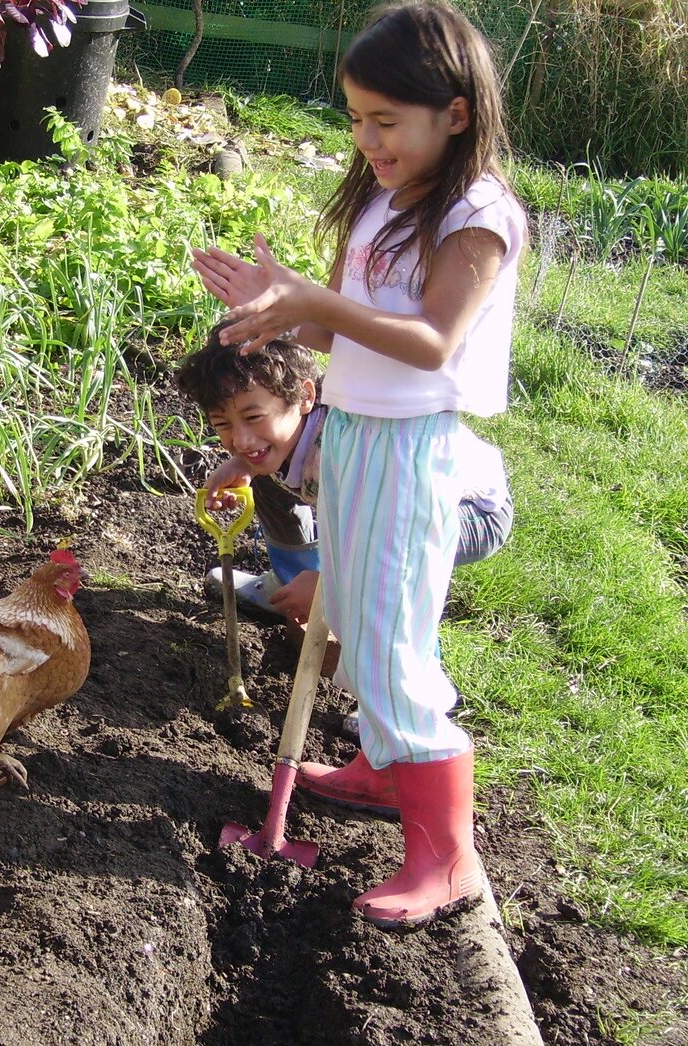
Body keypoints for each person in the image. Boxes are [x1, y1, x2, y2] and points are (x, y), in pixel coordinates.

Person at [191, 0, 526, 930]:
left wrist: (320, 309)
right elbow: (346, 321)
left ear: (454, 112)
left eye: (386, 120)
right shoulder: (388, 198)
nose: (366, 139)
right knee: (366, 620)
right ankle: (386, 767)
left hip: (414, 447)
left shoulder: (476, 215)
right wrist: (279, 310)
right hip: (357, 430)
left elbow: (428, 341)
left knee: (387, 632)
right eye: (355, 118)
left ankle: (446, 859)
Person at [173, 321, 512, 645]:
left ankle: (404, 693)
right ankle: (292, 586)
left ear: (305, 396)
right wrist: (242, 465)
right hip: (384, 512)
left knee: (390, 586)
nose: (242, 439)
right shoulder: (295, 429)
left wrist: (331, 590)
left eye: (252, 417)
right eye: (223, 424)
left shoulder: (346, 452)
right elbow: (254, 447)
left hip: (463, 511)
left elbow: (387, 546)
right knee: (262, 467)